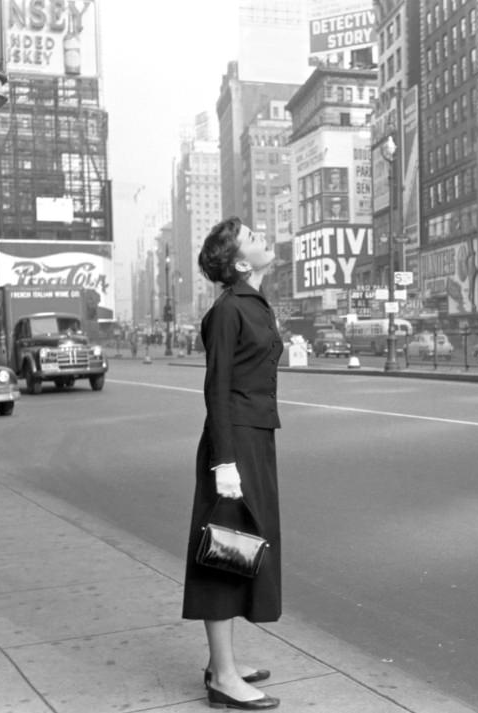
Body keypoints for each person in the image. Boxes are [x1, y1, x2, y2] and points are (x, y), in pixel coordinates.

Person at [183, 217, 283, 711]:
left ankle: (222, 660)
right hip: (234, 443)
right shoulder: (228, 310)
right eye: (253, 237)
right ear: (241, 262)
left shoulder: (253, 301)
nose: (263, 235)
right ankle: (222, 677)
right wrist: (225, 462)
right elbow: (216, 387)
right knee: (225, 550)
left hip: (254, 437)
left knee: (244, 545)